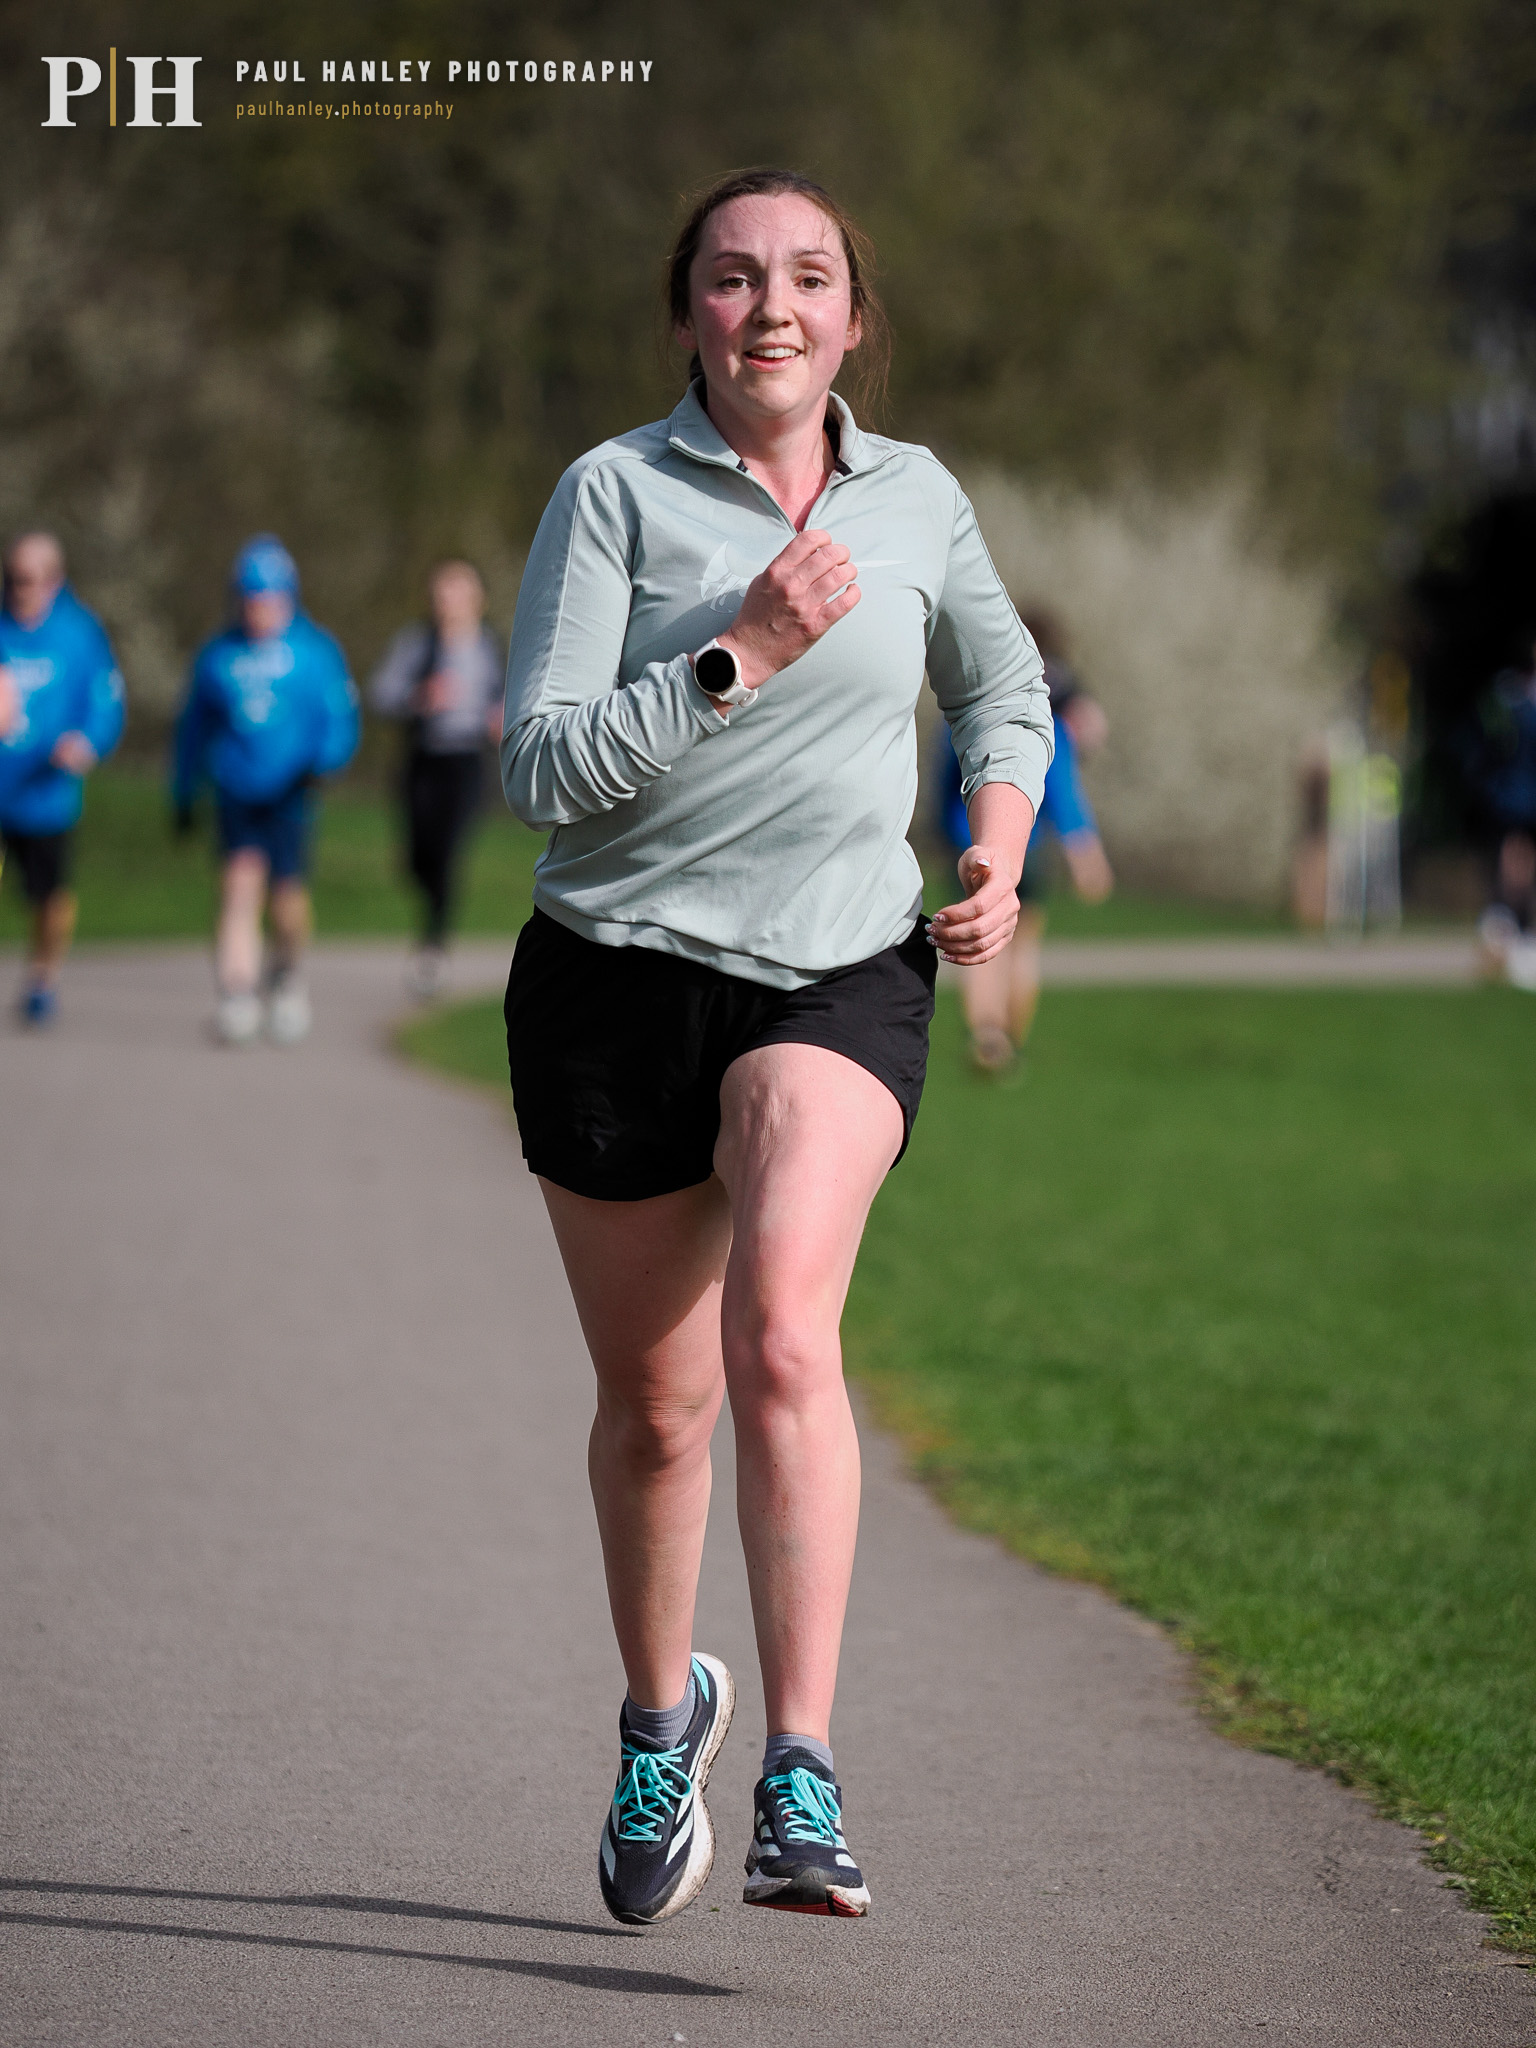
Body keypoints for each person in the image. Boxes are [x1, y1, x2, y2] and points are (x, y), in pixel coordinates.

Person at [500, 168, 1052, 1926]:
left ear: (854, 319)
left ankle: (804, 1768)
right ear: (689, 318)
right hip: (613, 980)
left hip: (834, 972)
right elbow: (537, 768)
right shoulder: (613, 494)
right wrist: (735, 653)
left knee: (781, 1333)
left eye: (808, 277)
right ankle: (666, 1723)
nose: (772, 308)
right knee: (657, 1411)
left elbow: (1006, 690)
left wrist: (997, 845)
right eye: (733, 280)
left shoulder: (918, 501)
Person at [171, 535, 359, 1045]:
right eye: (250, 599)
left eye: (269, 599)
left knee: (287, 900)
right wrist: (183, 793)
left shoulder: (316, 651)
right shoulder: (217, 655)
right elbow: (191, 731)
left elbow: (340, 720)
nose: (259, 610)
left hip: (292, 793)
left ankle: (286, 977)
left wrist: (324, 763)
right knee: (238, 887)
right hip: (235, 790)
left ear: (289, 597)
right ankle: (236, 993)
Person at [940, 608, 1113, 1070]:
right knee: (1023, 943)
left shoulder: (963, 714)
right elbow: (1063, 793)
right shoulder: (1045, 721)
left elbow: (942, 783)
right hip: (1027, 848)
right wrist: (1087, 858)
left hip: (969, 844)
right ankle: (1011, 1038)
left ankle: (986, 1037)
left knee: (978, 945)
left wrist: (942, 831)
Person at [0, 532, 125, 1027]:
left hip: (46, 795)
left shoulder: (80, 634)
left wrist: (86, 744)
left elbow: (107, 702)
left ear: (55, 581)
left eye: (29, 580)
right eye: (11, 579)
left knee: (47, 902)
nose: (19, 589)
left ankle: (42, 976)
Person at [369, 559, 505, 996]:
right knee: (417, 856)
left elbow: (511, 696)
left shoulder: (490, 647)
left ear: (476, 600)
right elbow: (380, 692)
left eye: (458, 594)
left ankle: (433, 946)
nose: (449, 604)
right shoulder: (415, 644)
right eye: (442, 594)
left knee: (447, 852)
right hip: (422, 758)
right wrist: (418, 696)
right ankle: (429, 910)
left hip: (466, 762)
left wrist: (501, 718)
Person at [1464, 636, 1536, 987]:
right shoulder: (1511, 700)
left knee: (1520, 866)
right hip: (1516, 797)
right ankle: (1512, 934)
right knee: (1514, 865)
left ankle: (1516, 934)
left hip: (1520, 793)